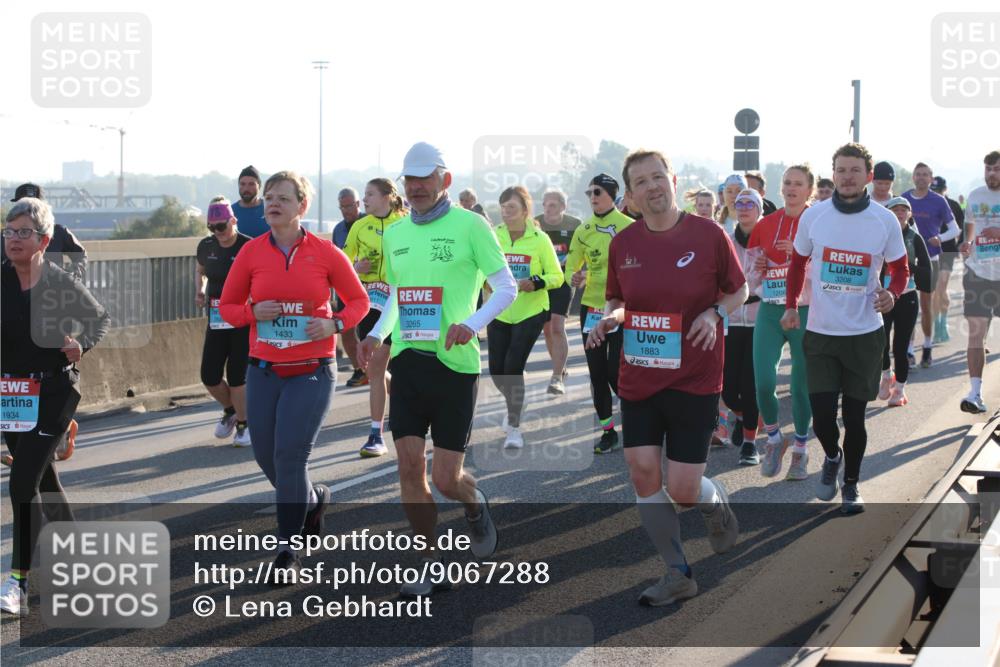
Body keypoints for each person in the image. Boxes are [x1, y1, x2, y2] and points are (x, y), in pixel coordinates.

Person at [358, 142, 516, 597]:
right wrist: (377, 334)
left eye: (426, 178)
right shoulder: (396, 235)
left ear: (444, 180)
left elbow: (504, 287)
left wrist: (471, 323)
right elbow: (398, 297)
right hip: (408, 362)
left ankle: (473, 502)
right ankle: (429, 565)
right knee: (409, 468)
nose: (417, 186)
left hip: (455, 366)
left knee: (447, 479)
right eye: (410, 179)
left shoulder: (472, 225)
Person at [588, 149, 742, 606]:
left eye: (658, 177)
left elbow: (739, 290)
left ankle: (716, 507)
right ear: (631, 196)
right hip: (639, 375)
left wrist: (715, 314)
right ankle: (678, 572)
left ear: (673, 180)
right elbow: (617, 298)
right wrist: (611, 318)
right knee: (642, 473)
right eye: (641, 182)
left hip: (694, 376)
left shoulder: (709, 234)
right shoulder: (624, 243)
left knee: (684, 490)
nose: (652, 187)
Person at [219, 171, 368, 581]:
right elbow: (227, 307)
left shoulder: (325, 252)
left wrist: (335, 325)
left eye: (283, 198)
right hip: (264, 371)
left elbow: (358, 300)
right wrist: (253, 313)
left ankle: (287, 550)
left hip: (312, 372)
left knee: (290, 457)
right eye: (269, 197)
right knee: (267, 457)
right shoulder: (250, 254)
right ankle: (314, 498)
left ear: (301, 207)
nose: (272, 203)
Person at [782, 143, 909, 514]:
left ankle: (851, 485)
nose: (847, 177)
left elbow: (900, 270)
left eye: (855, 170)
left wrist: (893, 294)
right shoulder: (815, 216)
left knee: (855, 417)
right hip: (821, 333)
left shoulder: (884, 220)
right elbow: (797, 263)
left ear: (868, 176)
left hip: (864, 334)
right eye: (841, 170)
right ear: (833, 174)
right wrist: (791, 306)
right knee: (822, 415)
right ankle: (832, 455)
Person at [0, 197, 110, 615]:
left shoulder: (60, 282)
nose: (14, 239)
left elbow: (99, 319)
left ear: (44, 240)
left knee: (22, 483)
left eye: (24, 232)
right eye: (9, 231)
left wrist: (81, 344)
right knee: (43, 479)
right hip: (13, 396)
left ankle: (17, 584)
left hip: (55, 393)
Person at [747, 165, 815, 481]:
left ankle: (800, 449)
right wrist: (760, 266)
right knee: (762, 381)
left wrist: (802, 258)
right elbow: (749, 275)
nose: (790, 188)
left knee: (801, 386)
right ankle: (775, 439)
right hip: (771, 309)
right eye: (787, 183)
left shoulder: (819, 222)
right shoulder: (765, 225)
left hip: (805, 310)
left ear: (809, 190)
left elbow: (830, 267)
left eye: (798, 184)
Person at [564, 173, 634, 454]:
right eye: (589, 193)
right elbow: (570, 267)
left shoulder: (629, 227)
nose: (592, 198)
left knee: (616, 372)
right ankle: (608, 432)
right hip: (591, 308)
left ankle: (638, 416)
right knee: (596, 373)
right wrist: (575, 277)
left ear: (611, 195)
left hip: (620, 309)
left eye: (597, 192)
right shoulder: (584, 229)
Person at [490, 186, 562, 448]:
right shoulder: (493, 236)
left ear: (524, 210)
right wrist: (485, 283)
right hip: (499, 310)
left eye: (511, 208)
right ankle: (517, 398)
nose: (506, 213)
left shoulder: (539, 239)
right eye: (503, 208)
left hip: (531, 311)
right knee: (497, 371)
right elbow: (481, 268)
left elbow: (557, 276)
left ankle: (514, 428)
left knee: (512, 367)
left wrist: (536, 281)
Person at [343, 179, 408, 457]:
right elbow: (343, 264)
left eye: (370, 194)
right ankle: (376, 433)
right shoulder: (360, 225)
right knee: (375, 366)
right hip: (370, 301)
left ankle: (388, 422)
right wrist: (356, 267)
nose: (365, 199)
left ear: (387, 197)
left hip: (401, 301)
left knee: (386, 366)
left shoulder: (406, 224)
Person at [195, 197, 253, 447]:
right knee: (209, 374)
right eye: (212, 227)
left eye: (222, 227)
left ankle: (244, 424)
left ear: (233, 221)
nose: (218, 233)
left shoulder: (247, 246)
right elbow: (200, 270)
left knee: (238, 376)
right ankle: (231, 410)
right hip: (217, 319)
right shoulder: (206, 246)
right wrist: (200, 289)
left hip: (242, 319)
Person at [903, 162, 960, 368]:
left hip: (931, 260)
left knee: (926, 306)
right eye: (918, 174)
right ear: (913, 177)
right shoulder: (904, 199)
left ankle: (927, 348)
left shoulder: (938, 201)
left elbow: (955, 230)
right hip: (907, 261)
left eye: (925, 175)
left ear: (931, 178)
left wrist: (940, 237)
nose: (921, 178)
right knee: (908, 307)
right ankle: (909, 351)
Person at [878, 197, 931, 407]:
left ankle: (899, 389)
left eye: (904, 210)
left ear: (909, 214)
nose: (900, 213)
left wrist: (908, 268)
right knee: (880, 342)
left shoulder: (914, 238)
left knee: (900, 347)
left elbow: (928, 272)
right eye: (895, 209)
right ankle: (885, 375)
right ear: (888, 213)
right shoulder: (879, 236)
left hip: (907, 297)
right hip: (883, 295)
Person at [723, 189, 763, 465]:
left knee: (750, 385)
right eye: (740, 203)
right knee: (727, 388)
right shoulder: (725, 241)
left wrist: (771, 263)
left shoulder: (769, 241)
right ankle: (740, 416)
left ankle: (750, 443)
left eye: (751, 203)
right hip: (731, 319)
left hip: (762, 321)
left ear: (760, 209)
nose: (745, 207)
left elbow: (788, 272)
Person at [958, 150, 1000, 414]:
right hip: (978, 272)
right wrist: (968, 244)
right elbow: (970, 226)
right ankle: (975, 393)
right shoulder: (975, 196)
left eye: (996, 169)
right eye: (988, 169)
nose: (992, 174)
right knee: (976, 333)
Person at [535, 188, 581, 395]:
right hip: (543, 281)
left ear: (563, 206)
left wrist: (584, 273)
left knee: (556, 326)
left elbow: (585, 251)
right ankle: (560, 369)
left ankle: (555, 378)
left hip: (563, 280)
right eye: (544, 204)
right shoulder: (535, 223)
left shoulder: (575, 225)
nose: (547, 209)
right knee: (546, 329)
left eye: (552, 204)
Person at [1, 183, 88, 282]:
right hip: (17, 294)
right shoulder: (6, 236)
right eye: (21, 206)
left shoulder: (58, 232)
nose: (26, 211)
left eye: (33, 207)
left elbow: (80, 254)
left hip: (52, 293)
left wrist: (73, 276)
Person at [332, 187, 366, 384]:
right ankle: (360, 370)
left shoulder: (368, 223)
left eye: (350, 206)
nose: (346, 210)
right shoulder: (338, 230)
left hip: (370, 287)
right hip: (345, 289)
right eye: (342, 207)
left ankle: (378, 368)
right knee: (346, 332)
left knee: (368, 332)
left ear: (358, 204)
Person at [930, 175, 965, 343]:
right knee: (935, 290)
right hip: (932, 251)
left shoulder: (954, 205)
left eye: (939, 190)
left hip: (948, 251)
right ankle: (938, 322)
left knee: (941, 286)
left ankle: (942, 323)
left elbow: (962, 227)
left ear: (945, 190)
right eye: (933, 190)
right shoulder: (928, 203)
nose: (936, 193)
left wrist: (962, 245)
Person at [233, 165, 269, 238]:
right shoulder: (230, 212)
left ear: (259, 186)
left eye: (251, 184)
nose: (246, 188)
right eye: (242, 184)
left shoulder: (270, 208)